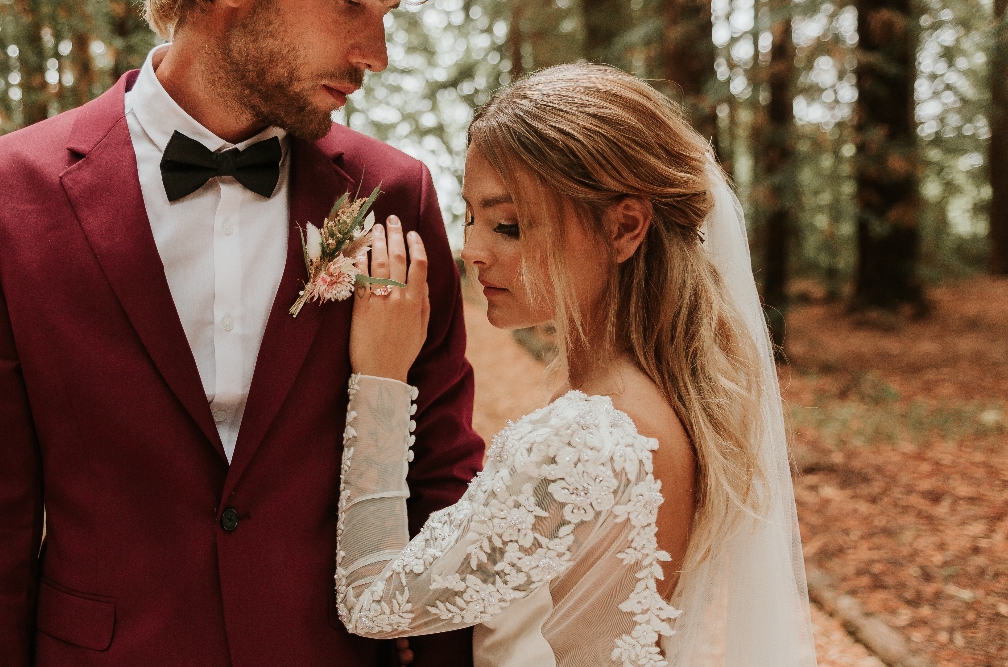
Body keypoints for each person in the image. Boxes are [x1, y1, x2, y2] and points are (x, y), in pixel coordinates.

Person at [0, 0, 485, 665]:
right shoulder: (2, 197)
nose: (375, 54)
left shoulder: (392, 195)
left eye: (387, 15)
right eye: (353, 0)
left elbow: (440, 478)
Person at [336, 63, 819, 666]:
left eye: (508, 224)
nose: (475, 250)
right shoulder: (658, 399)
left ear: (624, 228)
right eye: (470, 217)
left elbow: (371, 601)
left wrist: (380, 377)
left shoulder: (594, 437)